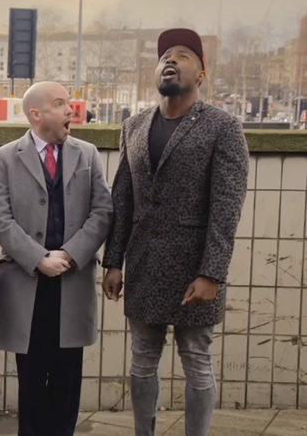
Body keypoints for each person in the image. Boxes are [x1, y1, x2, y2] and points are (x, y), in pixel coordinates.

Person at [102, 28, 249, 436]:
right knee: (142, 359)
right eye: (166, 55)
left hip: (194, 268)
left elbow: (227, 207)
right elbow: (123, 199)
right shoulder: (134, 126)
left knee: (197, 360)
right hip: (145, 264)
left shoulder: (223, 127)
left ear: (201, 73)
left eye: (184, 55)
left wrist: (212, 273)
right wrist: (113, 260)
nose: (171, 60)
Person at [0, 81, 113, 436]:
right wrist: (39, 258)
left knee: (67, 379)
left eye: (69, 102)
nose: (70, 109)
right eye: (60, 104)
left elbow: (102, 211)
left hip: (72, 284)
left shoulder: (87, 154)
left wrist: (71, 255)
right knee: (30, 379)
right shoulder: (6, 158)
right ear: (36, 114)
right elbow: (1, 219)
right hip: (27, 285)